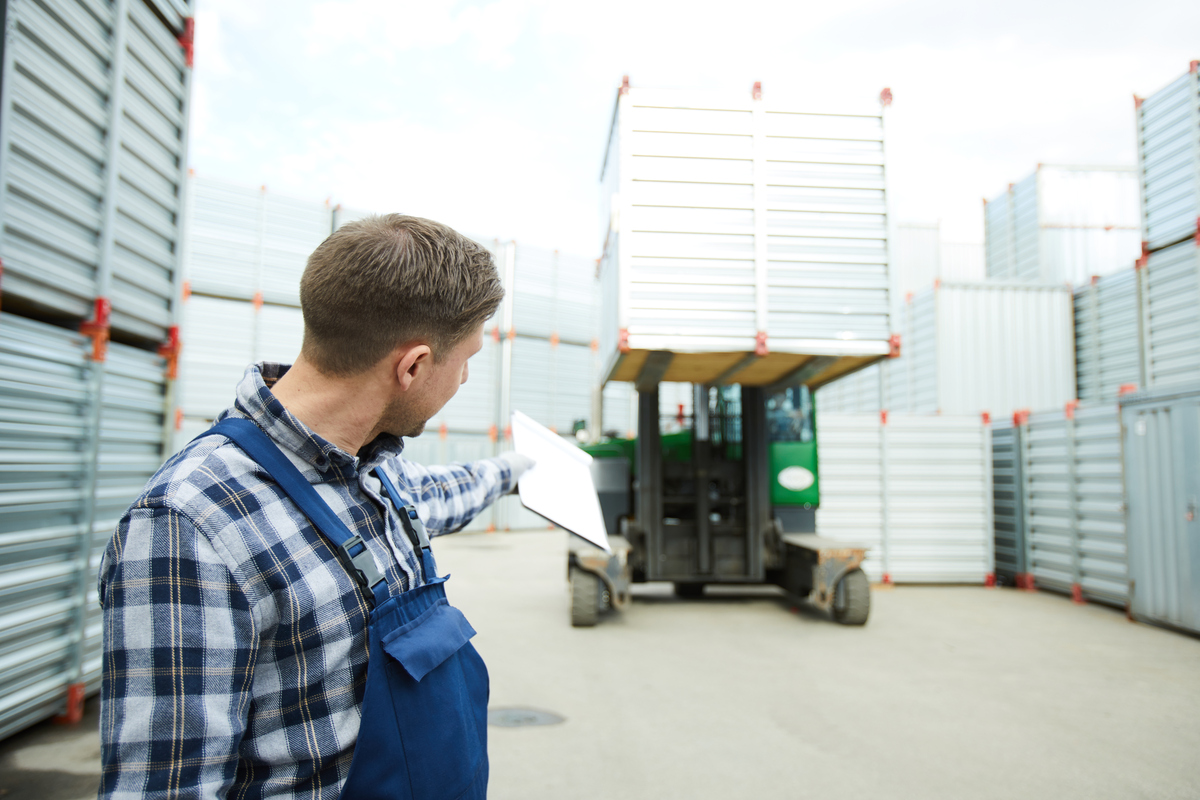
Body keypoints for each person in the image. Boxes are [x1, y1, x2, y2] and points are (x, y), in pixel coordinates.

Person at [97, 215, 533, 799]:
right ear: (413, 366)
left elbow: (443, 494)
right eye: (465, 359)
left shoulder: (374, 465)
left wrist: (519, 469)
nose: (465, 378)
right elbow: (166, 788)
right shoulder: (190, 526)